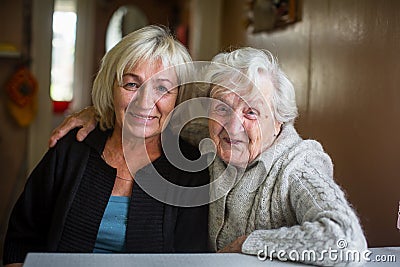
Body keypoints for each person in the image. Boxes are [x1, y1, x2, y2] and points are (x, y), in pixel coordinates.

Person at [47, 47, 367, 265]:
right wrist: (97, 113)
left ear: (279, 119)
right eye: (222, 107)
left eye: (251, 111)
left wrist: (249, 244)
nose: (233, 124)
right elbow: (150, 117)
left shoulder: (297, 166)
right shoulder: (211, 141)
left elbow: (347, 243)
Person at [3, 25, 209, 267]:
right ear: (111, 89)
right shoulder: (71, 149)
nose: (145, 102)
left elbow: (191, 259)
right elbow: (21, 240)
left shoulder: (190, 170)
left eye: (162, 88)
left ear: (178, 98)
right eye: (132, 85)